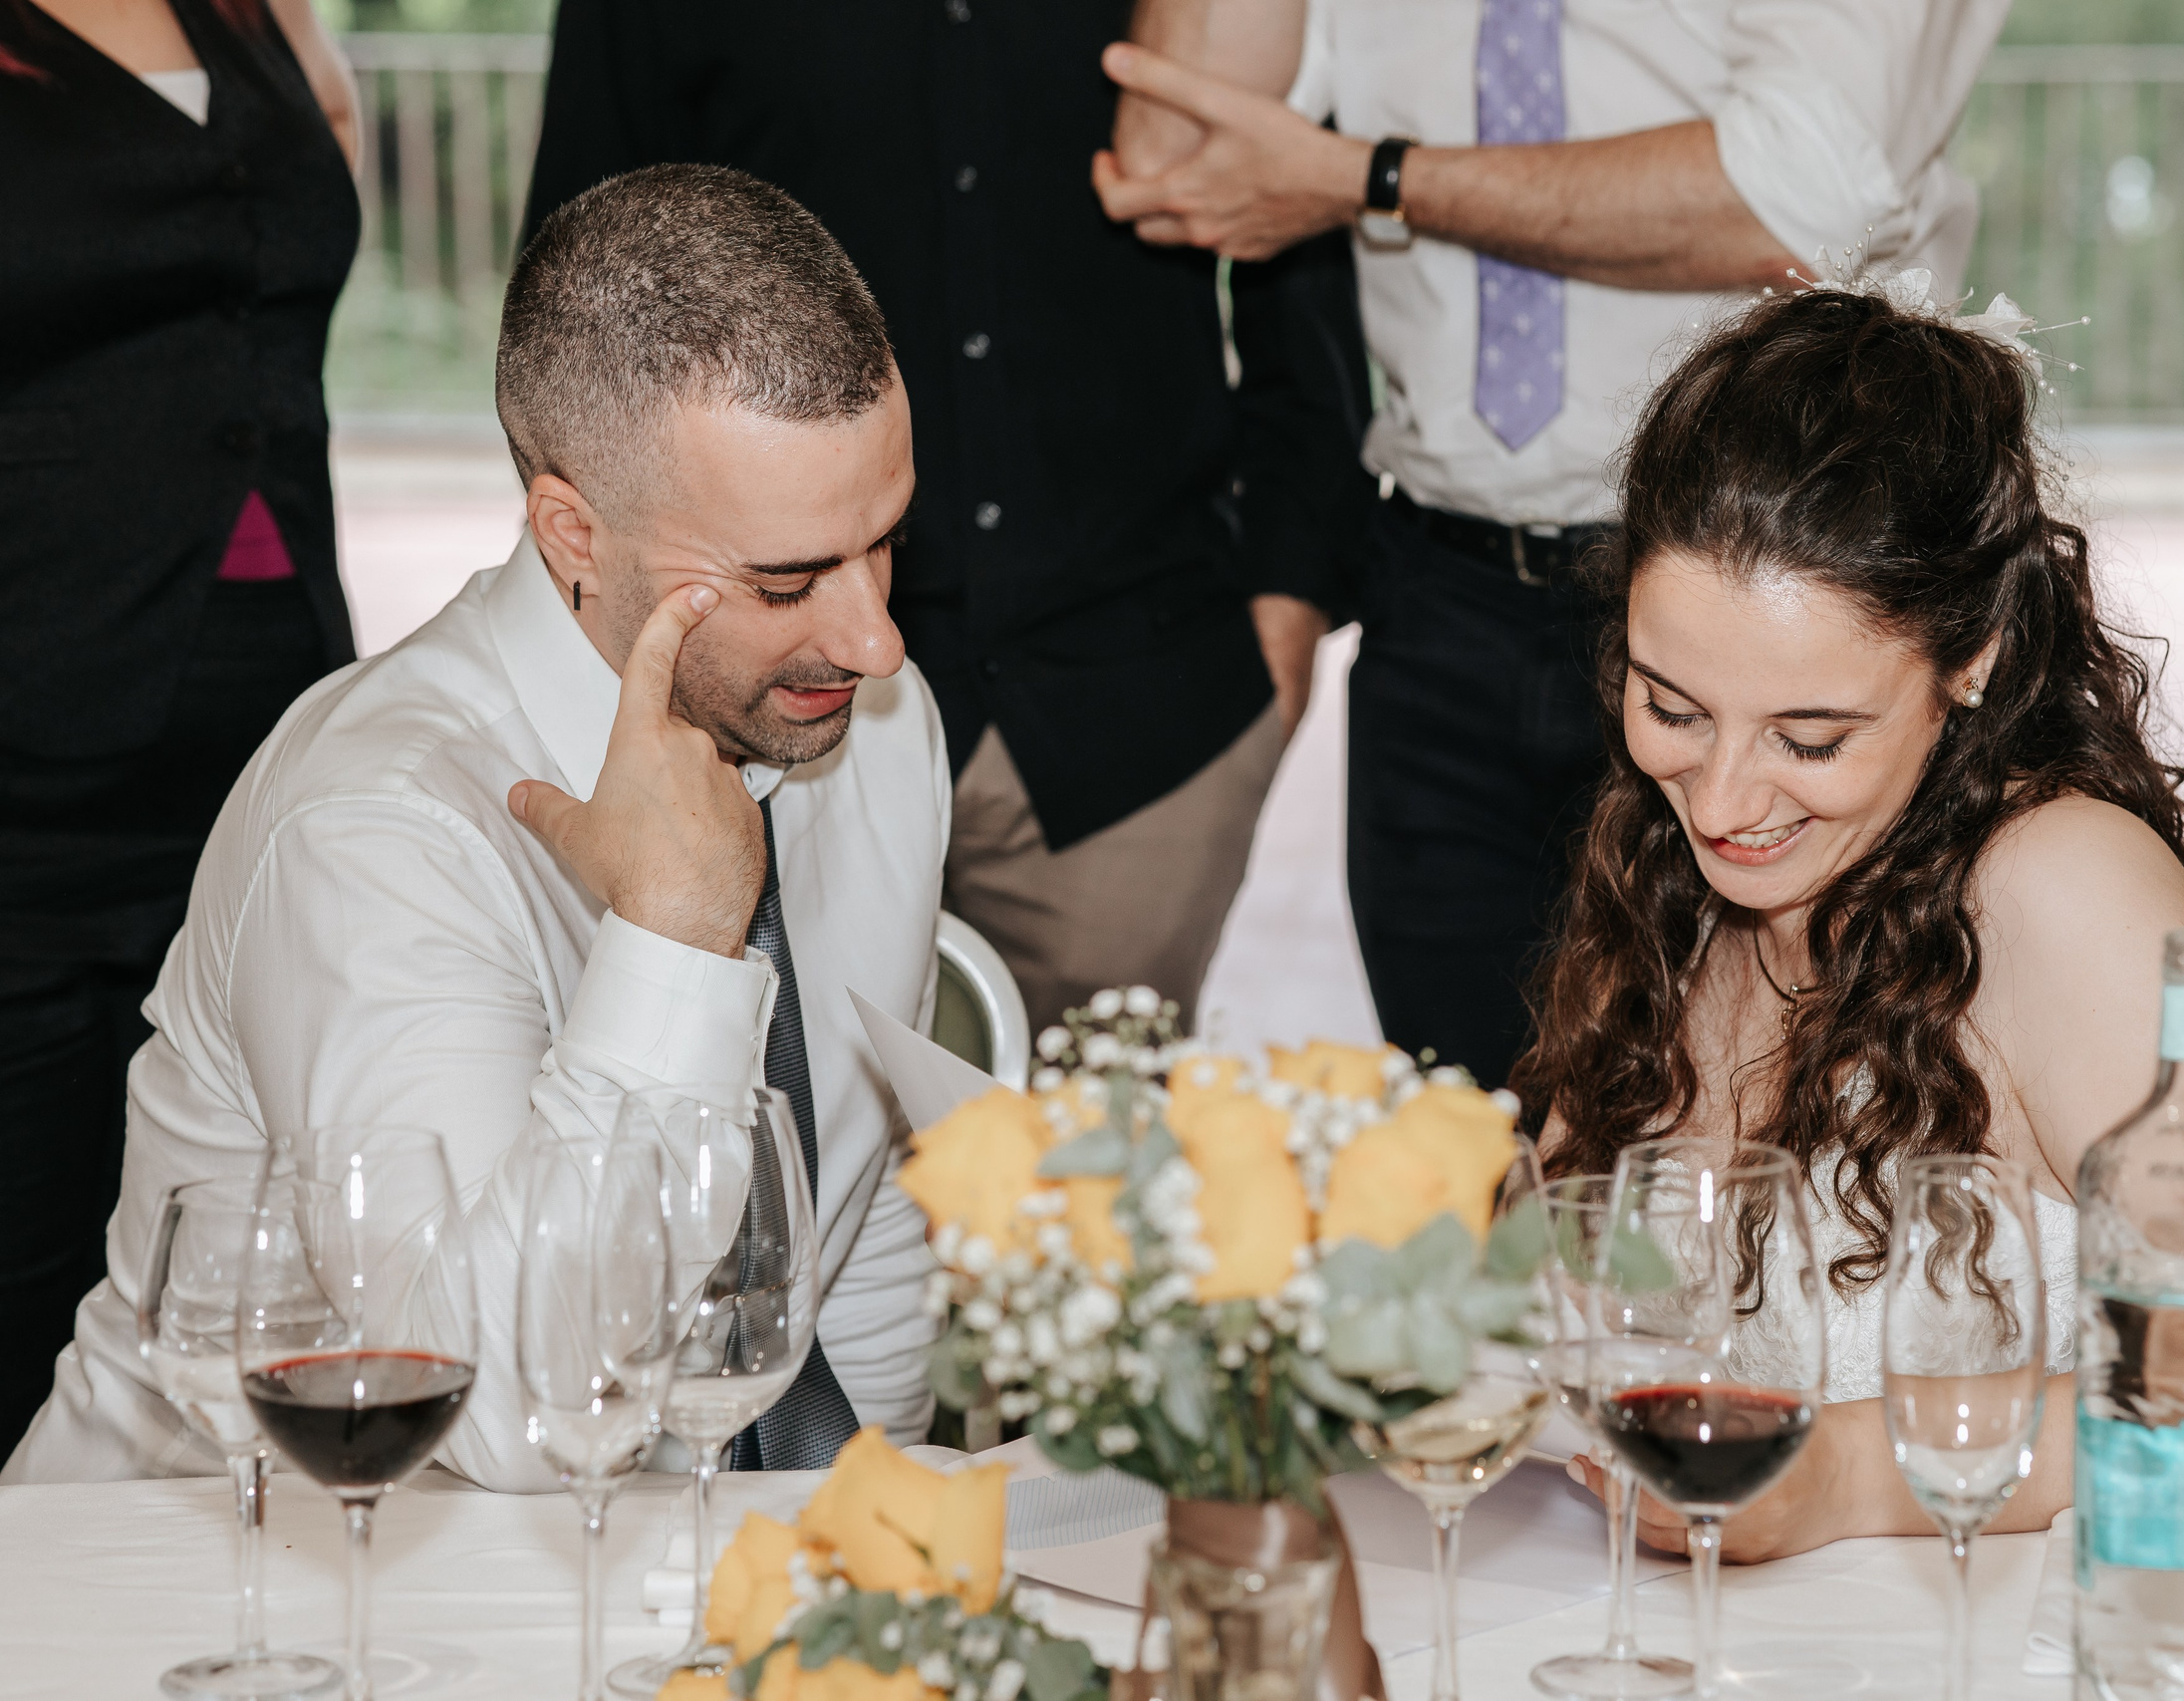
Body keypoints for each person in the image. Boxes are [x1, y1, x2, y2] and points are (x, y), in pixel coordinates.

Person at [5, 164, 948, 1490]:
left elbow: (846, 1212)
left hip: (655, 1579)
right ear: (572, 529)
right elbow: (498, 1411)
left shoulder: (866, 718)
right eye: (787, 578)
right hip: (233, 1582)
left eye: (886, 540)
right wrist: (674, 940)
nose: (873, 636)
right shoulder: (380, 825)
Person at [1505, 284, 2184, 1559]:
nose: (1726, 799)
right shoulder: (1663, 870)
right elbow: (1540, 1285)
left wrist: (1844, 1482)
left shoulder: (2062, 889)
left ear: (1968, 658)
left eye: (1811, 738)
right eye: (1669, 706)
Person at [1091, 0, 2008, 1085]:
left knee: (1773, 1115)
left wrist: (1370, 178)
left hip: (1769, 611)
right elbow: (1167, 160)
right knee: (1474, 1150)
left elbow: (1793, 196)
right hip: (1437, 592)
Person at [518, 0, 1374, 1036]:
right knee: (775, 1147)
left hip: (1145, 710)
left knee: (1102, 1178)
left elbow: (1298, 265)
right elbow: (574, 315)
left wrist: (1281, 624)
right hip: (764, 720)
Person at [0, 0, 360, 1453]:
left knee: (246, 1288)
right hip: (27, 759)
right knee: (29, 1282)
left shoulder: (251, 11)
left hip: (265, 735)